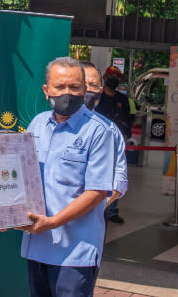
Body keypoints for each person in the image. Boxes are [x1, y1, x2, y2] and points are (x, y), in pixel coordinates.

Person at [20, 57, 127, 297]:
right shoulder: (37, 125)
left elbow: (98, 192)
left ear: (85, 90)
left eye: (74, 87)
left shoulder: (99, 132)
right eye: (59, 87)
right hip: (37, 247)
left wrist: (53, 222)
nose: (67, 93)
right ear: (46, 90)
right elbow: (21, 178)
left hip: (75, 252)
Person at [93, 65, 132, 224]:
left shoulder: (123, 99)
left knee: (116, 175)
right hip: (97, 142)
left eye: (117, 77)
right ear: (105, 78)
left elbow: (128, 119)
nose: (114, 80)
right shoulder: (97, 97)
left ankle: (112, 210)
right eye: (112, 77)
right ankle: (96, 206)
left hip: (116, 142)